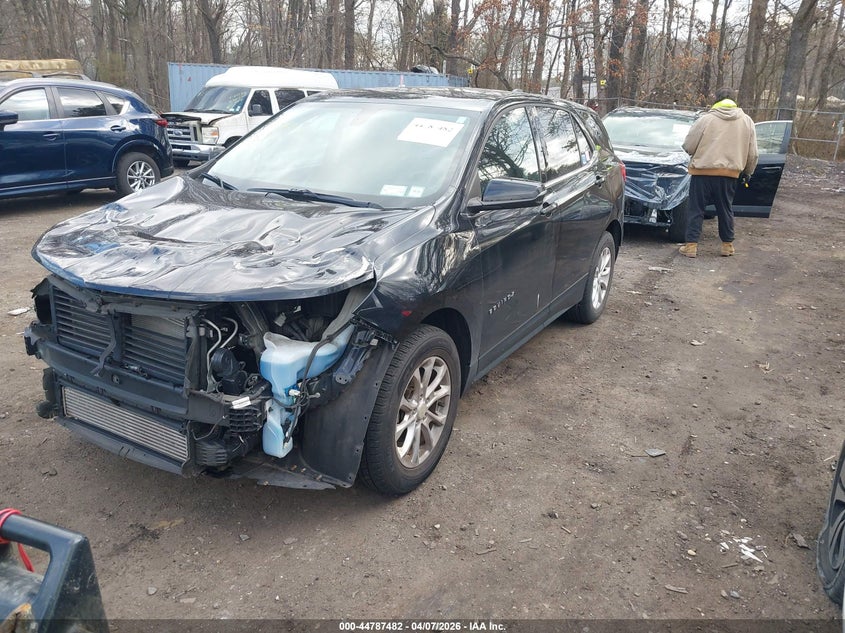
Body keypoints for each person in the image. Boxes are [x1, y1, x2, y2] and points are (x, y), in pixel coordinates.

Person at [679, 88, 758, 258]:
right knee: (725, 209)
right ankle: (727, 245)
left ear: (716, 99)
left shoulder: (706, 119)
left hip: (702, 172)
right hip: (729, 174)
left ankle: (691, 246)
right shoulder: (747, 121)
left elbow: (689, 145)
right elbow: (753, 153)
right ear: (735, 100)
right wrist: (748, 171)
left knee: (696, 209)